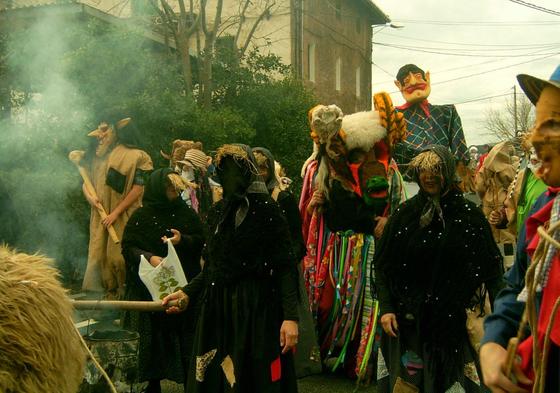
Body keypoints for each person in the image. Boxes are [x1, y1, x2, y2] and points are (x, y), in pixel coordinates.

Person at [163, 144, 300, 393]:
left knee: (252, 381)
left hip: (256, 311)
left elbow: (285, 266)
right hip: (218, 309)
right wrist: (186, 292)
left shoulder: (267, 210)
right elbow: (214, 266)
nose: (230, 177)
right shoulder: (218, 213)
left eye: (236, 170)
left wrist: (290, 317)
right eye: (224, 170)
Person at [374, 145, 504, 392]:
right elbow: (383, 267)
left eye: (436, 170)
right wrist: (387, 309)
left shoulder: (469, 216)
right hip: (410, 326)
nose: (429, 176)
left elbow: (493, 272)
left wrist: (504, 321)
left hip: (454, 327)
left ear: (448, 171)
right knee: (409, 386)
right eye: (423, 170)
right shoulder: (405, 214)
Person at [299, 95, 407, 381]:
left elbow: (399, 209)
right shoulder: (329, 176)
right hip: (340, 252)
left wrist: (388, 221)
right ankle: (336, 354)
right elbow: (318, 216)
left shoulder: (391, 174)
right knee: (332, 304)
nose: (363, 159)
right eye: (357, 153)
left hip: (374, 251)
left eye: (369, 151)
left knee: (369, 307)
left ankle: (366, 359)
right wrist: (316, 206)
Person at [480, 65, 560, 393]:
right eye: (538, 123)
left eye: (552, 123)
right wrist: (494, 341)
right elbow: (518, 288)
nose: (536, 137)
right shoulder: (548, 210)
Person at [121, 168, 205, 393]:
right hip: (148, 289)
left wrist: (182, 241)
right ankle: (153, 382)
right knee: (152, 339)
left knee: (185, 338)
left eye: (176, 188)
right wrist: (149, 257)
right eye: (169, 188)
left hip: (183, 285)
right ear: (159, 188)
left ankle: (190, 381)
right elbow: (128, 246)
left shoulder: (186, 214)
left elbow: (201, 240)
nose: (174, 192)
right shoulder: (141, 216)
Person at [253, 146, 321, 377]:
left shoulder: (283, 198)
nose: (260, 173)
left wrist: (285, 260)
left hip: (282, 272)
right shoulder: (243, 201)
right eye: (255, 168)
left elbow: (297, 238)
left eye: (264, 168)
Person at [81, 113, 153, 299]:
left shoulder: (137, 156)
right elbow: (85, 182)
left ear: (116, 129)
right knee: (99, 256)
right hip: (100, 216)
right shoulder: (96, 158)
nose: (100, 135)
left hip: (126, 215)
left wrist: (115, 213)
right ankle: (109, 295)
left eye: (105, 129)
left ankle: (126, 294)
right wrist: (90, 198)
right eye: (99, 130)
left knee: (119, 257)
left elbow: (138, 188)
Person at [393, 64, 469, 183]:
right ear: (399, 85)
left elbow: (458, 145)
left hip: (443, 177)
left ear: (427, 78)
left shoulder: (447, 112)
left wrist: (461, 171)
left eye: (418, 77)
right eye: (406, 81)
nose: (413, 83)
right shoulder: (394, 116)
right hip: (408, 179)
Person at [177, 148, 213, 221]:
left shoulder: (205, 187)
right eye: (184, 167)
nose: (185, 169)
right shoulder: (186, 190)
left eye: (189, 167)